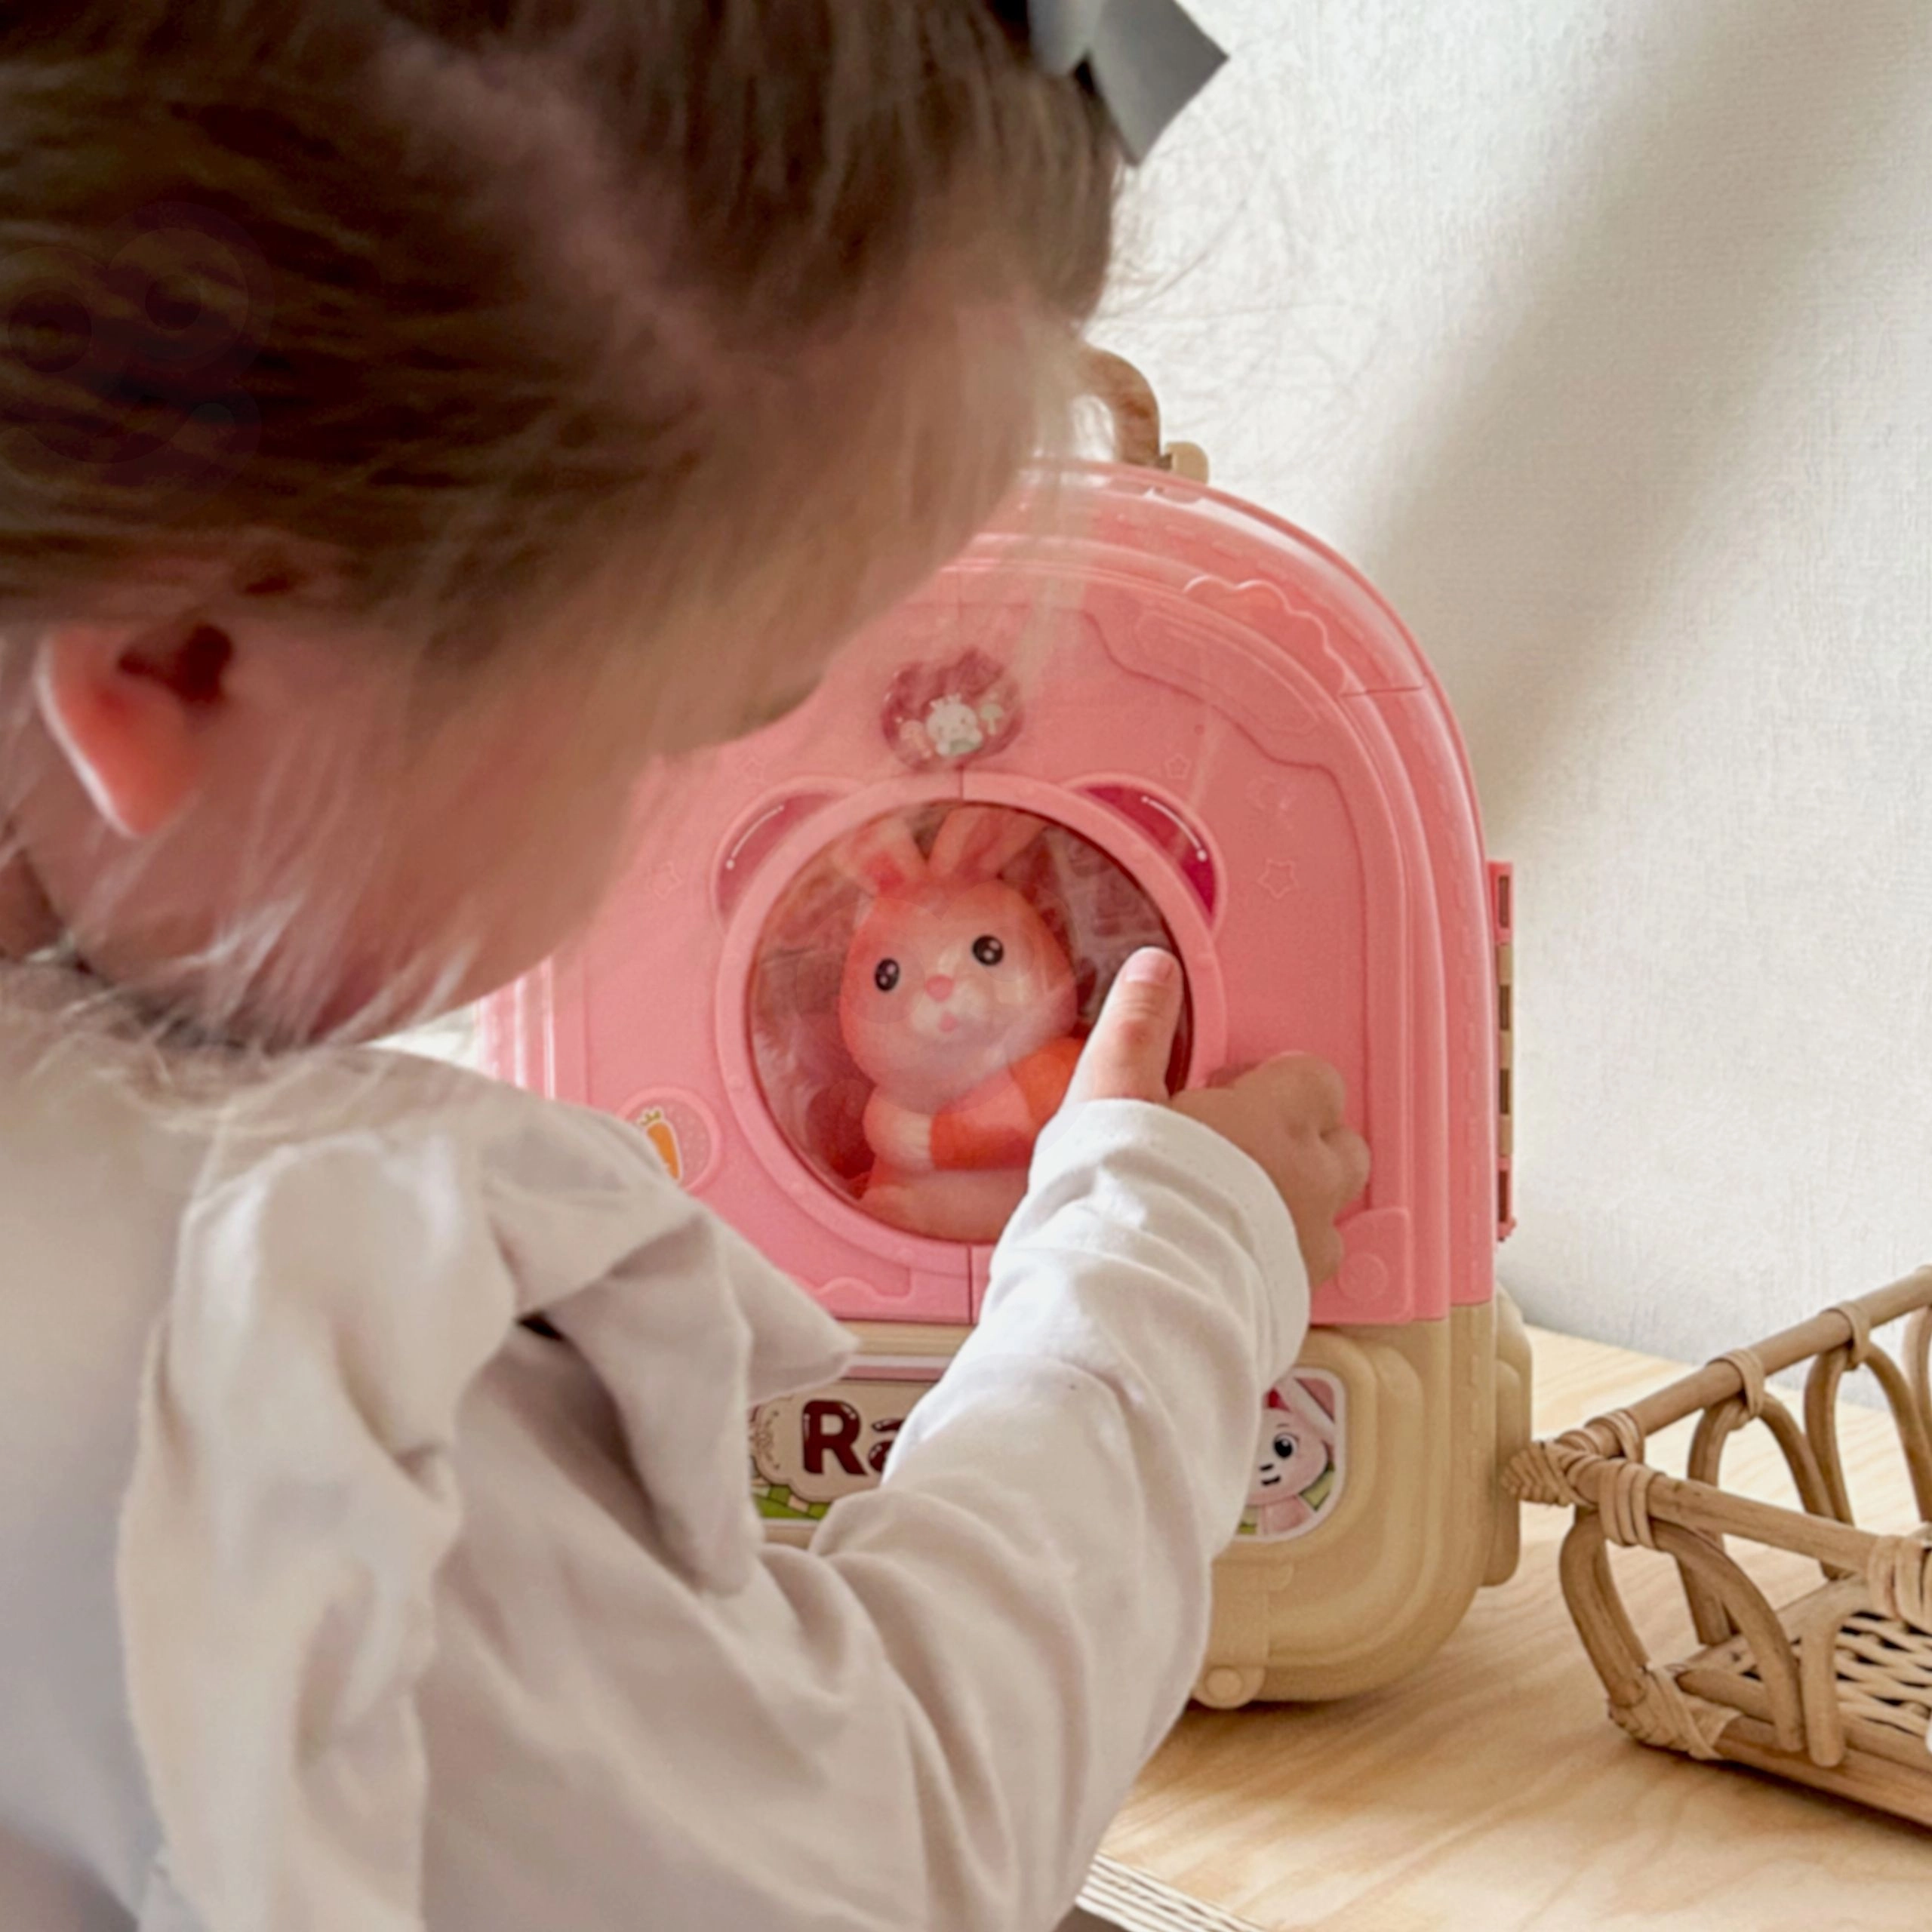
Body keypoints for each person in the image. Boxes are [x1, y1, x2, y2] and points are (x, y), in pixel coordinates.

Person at [0, 6, 1369, 1928]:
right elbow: (894, 1833)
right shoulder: (276, 1388)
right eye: (667, 724)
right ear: (185, 663)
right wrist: (1169, 1257)